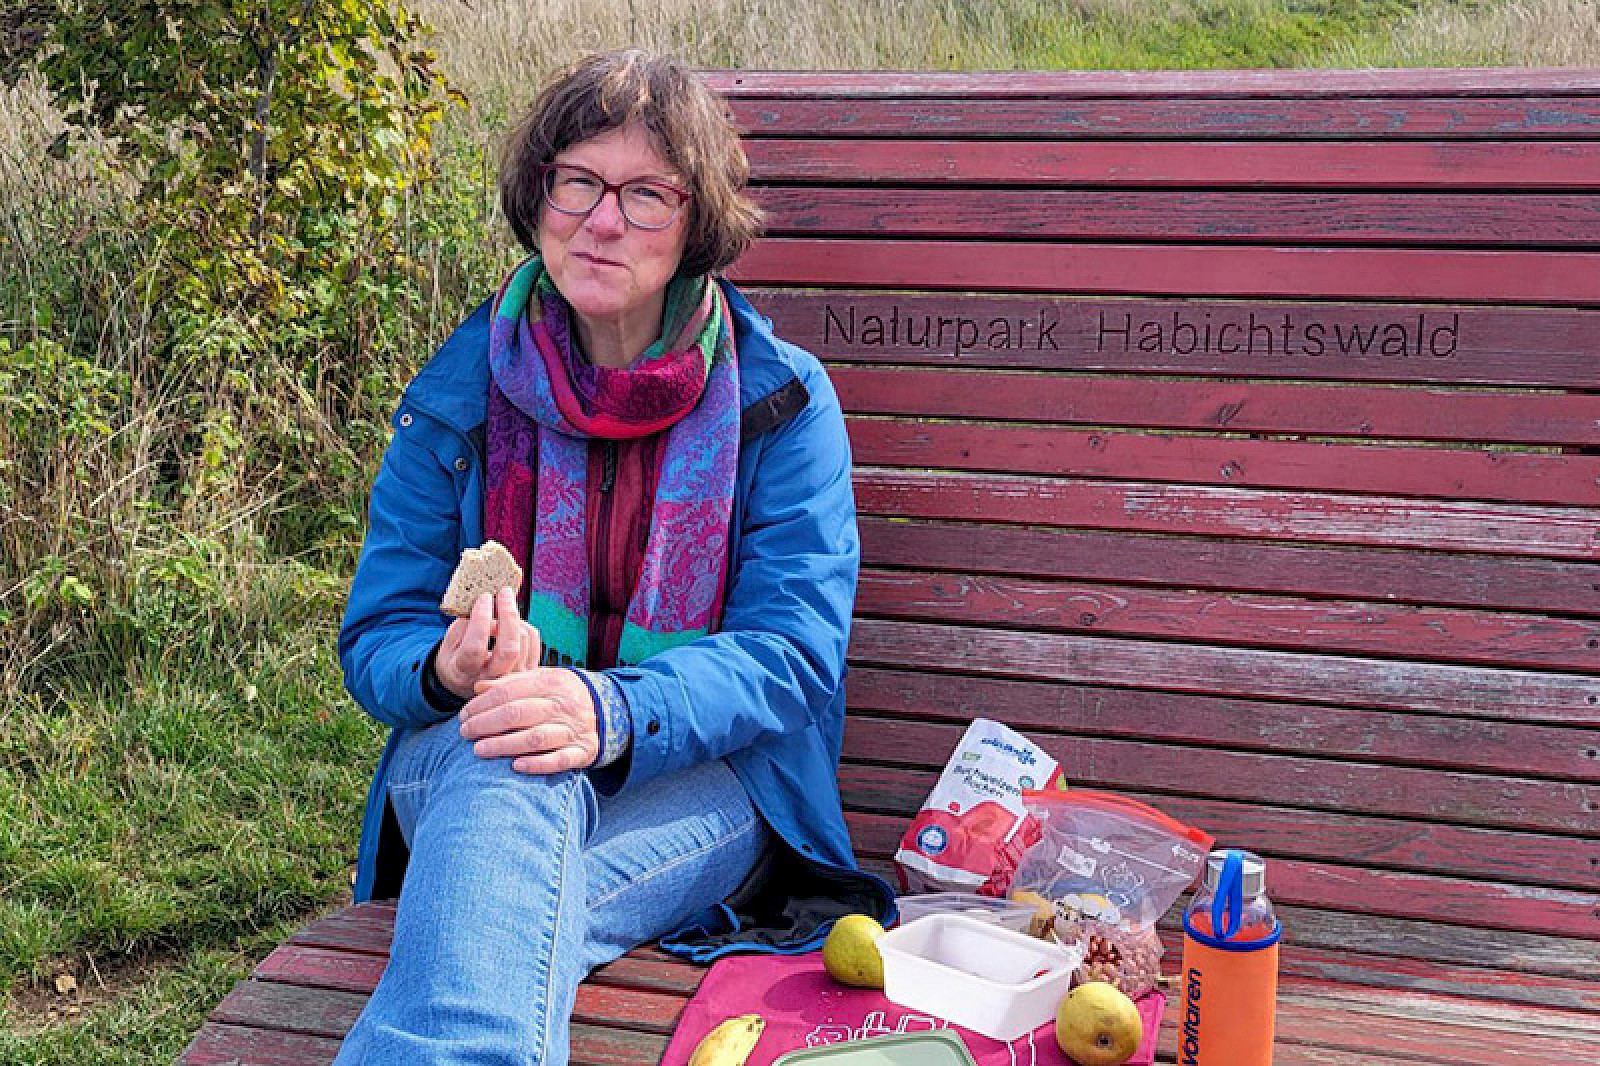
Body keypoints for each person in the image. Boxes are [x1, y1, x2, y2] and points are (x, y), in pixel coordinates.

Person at [333, 48, 894, 1065]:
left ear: (694, 222)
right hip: (470, 752)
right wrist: (444, 667)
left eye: (645, 194)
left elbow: (792, 652)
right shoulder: (457, 392)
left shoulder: (781, 401)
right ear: (538, 193)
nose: (601, 221)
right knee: (513, 758)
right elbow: (378, 635)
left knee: (498, 876)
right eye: (578, 182)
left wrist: (610, 711)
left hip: (707, 777)